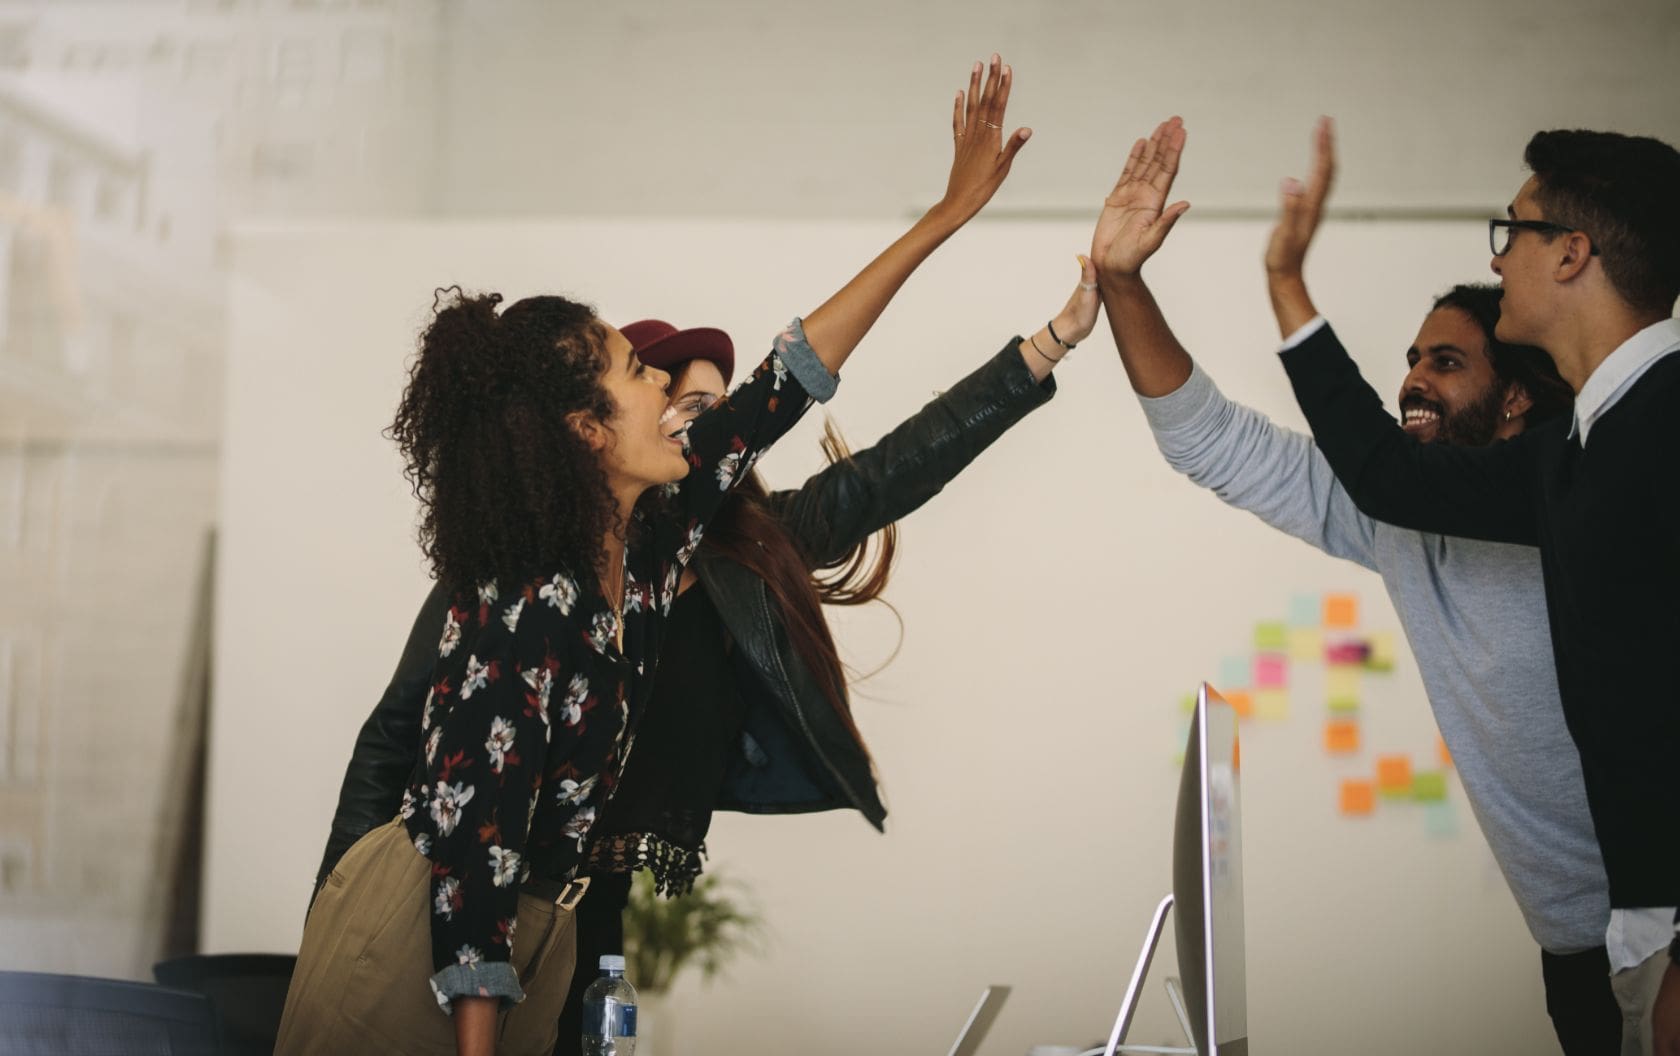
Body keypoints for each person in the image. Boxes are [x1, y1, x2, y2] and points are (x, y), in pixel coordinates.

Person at [278, 53, 1036, 1056]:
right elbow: (476, 850)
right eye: (639, 373)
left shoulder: (649, 542)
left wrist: (944, 218)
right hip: (425, 940)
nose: (672, 395)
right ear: (587, 429)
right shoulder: (521, 604)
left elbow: (792, 377)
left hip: (536, 935)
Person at [319, 271, 1098, 1054]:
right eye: (681, 403)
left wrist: (1049, 342)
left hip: (573, 900)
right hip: (449, 904)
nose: (702, 422)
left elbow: (889, 465)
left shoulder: (715, 554)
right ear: (590, 428)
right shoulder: (514, 573)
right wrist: (341, 903)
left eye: (713, 409)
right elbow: (404, 752)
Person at [1087, 116, 1614, 1053]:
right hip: (1574, 949)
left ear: (1519, 400)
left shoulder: (1578, 494)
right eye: (1410, 359)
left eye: (1444, 363)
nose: (1412, 380)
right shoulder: (1399, 522)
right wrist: (1122, 282)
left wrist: (1289, 282)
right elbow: (1208, 437)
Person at [1265, 119, 1680, 1056]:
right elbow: (1390, 481)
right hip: (1629, 939)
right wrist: (1288, 286)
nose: (1499, 261)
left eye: (1515, 232)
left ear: (1573, 253)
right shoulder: (1568, 457)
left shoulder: (1665, 424)